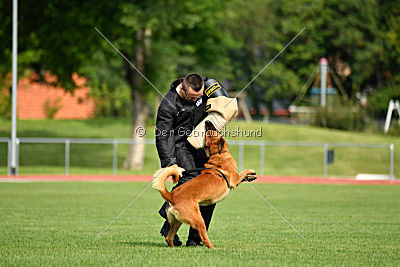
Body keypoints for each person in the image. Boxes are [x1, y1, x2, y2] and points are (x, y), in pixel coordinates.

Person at [155, 73, 228, 246]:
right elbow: (163, 136)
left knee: (211, 189)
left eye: (200, 96)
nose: (198, 99)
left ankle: (195, 239)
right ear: (183, 87)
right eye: (193, 97)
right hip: (180, 146)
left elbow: (225, 105)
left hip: (200, 144)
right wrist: (169, 164)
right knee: (191, 180)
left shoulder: (208, 85)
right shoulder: (168, 104)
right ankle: (169, 214)